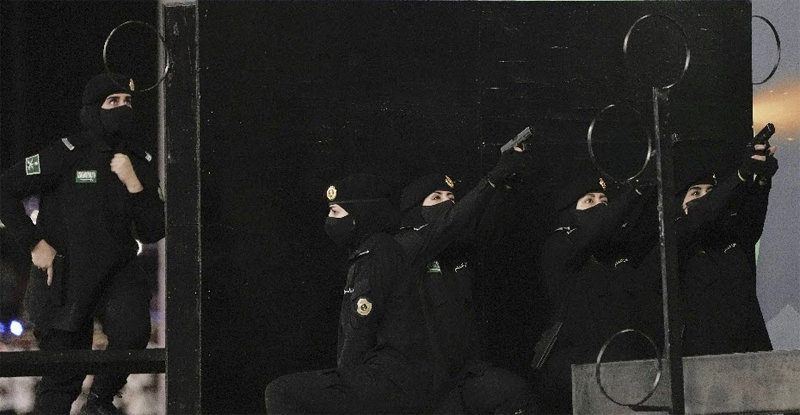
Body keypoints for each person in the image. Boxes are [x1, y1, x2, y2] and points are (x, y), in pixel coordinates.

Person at [0, 73, 165, 415]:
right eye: (112, 101)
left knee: (132, 336)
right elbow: (5, 188)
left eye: (127, 101)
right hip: (65, 277)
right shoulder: (66, 153)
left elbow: (153, 230)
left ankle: (100, 401)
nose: (122, 108)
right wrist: (34, 243)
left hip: (118, 272)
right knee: (62, 382)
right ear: (93, 109)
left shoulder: (140, 161)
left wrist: (134, 184)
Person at [264, 173, 436, 414]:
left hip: (391, 379)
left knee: (280, 391)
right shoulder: (373, 251)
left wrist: (342, 386)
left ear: (358, 216)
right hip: (390, 376)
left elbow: (360, 328)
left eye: (335, 212)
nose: (330, 220)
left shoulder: (376, 254)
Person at [394, 149, 538, 414]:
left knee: (515, 393)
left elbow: (484, 222)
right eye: (436, 198)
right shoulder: (405, 247)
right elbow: (452, 223)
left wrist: (505, 187)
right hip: (425, 380)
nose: (447, 203)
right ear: (415, 210)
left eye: (452, 198)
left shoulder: (458, 247)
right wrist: (492, 178)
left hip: (467, 372)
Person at [534, 165, 656, 414]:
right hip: (580, 369)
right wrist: (634, 192)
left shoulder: (617, 252)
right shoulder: (559, 246)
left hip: (628, 366)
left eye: (604, 201)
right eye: (589, 201)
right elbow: (595, 229)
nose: (600, 207)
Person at [673, 140, 778, 356]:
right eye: (695, 193)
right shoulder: (677, 239)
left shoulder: (731, 236)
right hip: (705, 360)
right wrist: (740, 175)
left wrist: (762, 177)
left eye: (710, 191)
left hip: (752, 353)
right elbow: (702, 213)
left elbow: (752, 218)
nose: (705, 197)